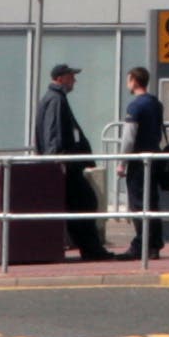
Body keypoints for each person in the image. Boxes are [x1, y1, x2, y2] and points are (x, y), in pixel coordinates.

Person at [32, 63, 110, 260]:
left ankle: (91, 249)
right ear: (60, 78)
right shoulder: (56, 100)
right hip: (66, 165)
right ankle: (92, 250)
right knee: (85, 203)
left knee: (81, 204)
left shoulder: (54, 98)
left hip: (65, 164)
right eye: (71, 76)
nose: (74, 80)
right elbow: (53, 132)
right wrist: (58, 162)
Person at [122, 66, 169, 260]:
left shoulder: (135, 106)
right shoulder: (155, 104)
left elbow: (129, 137)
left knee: (138, 203)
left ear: (134, 80)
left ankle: (140, 245)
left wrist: (122, 162)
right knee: (152, 202)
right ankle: (154, 245)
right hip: (154, 158)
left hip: (138, 160)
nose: (128, 83)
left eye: (128, 80)